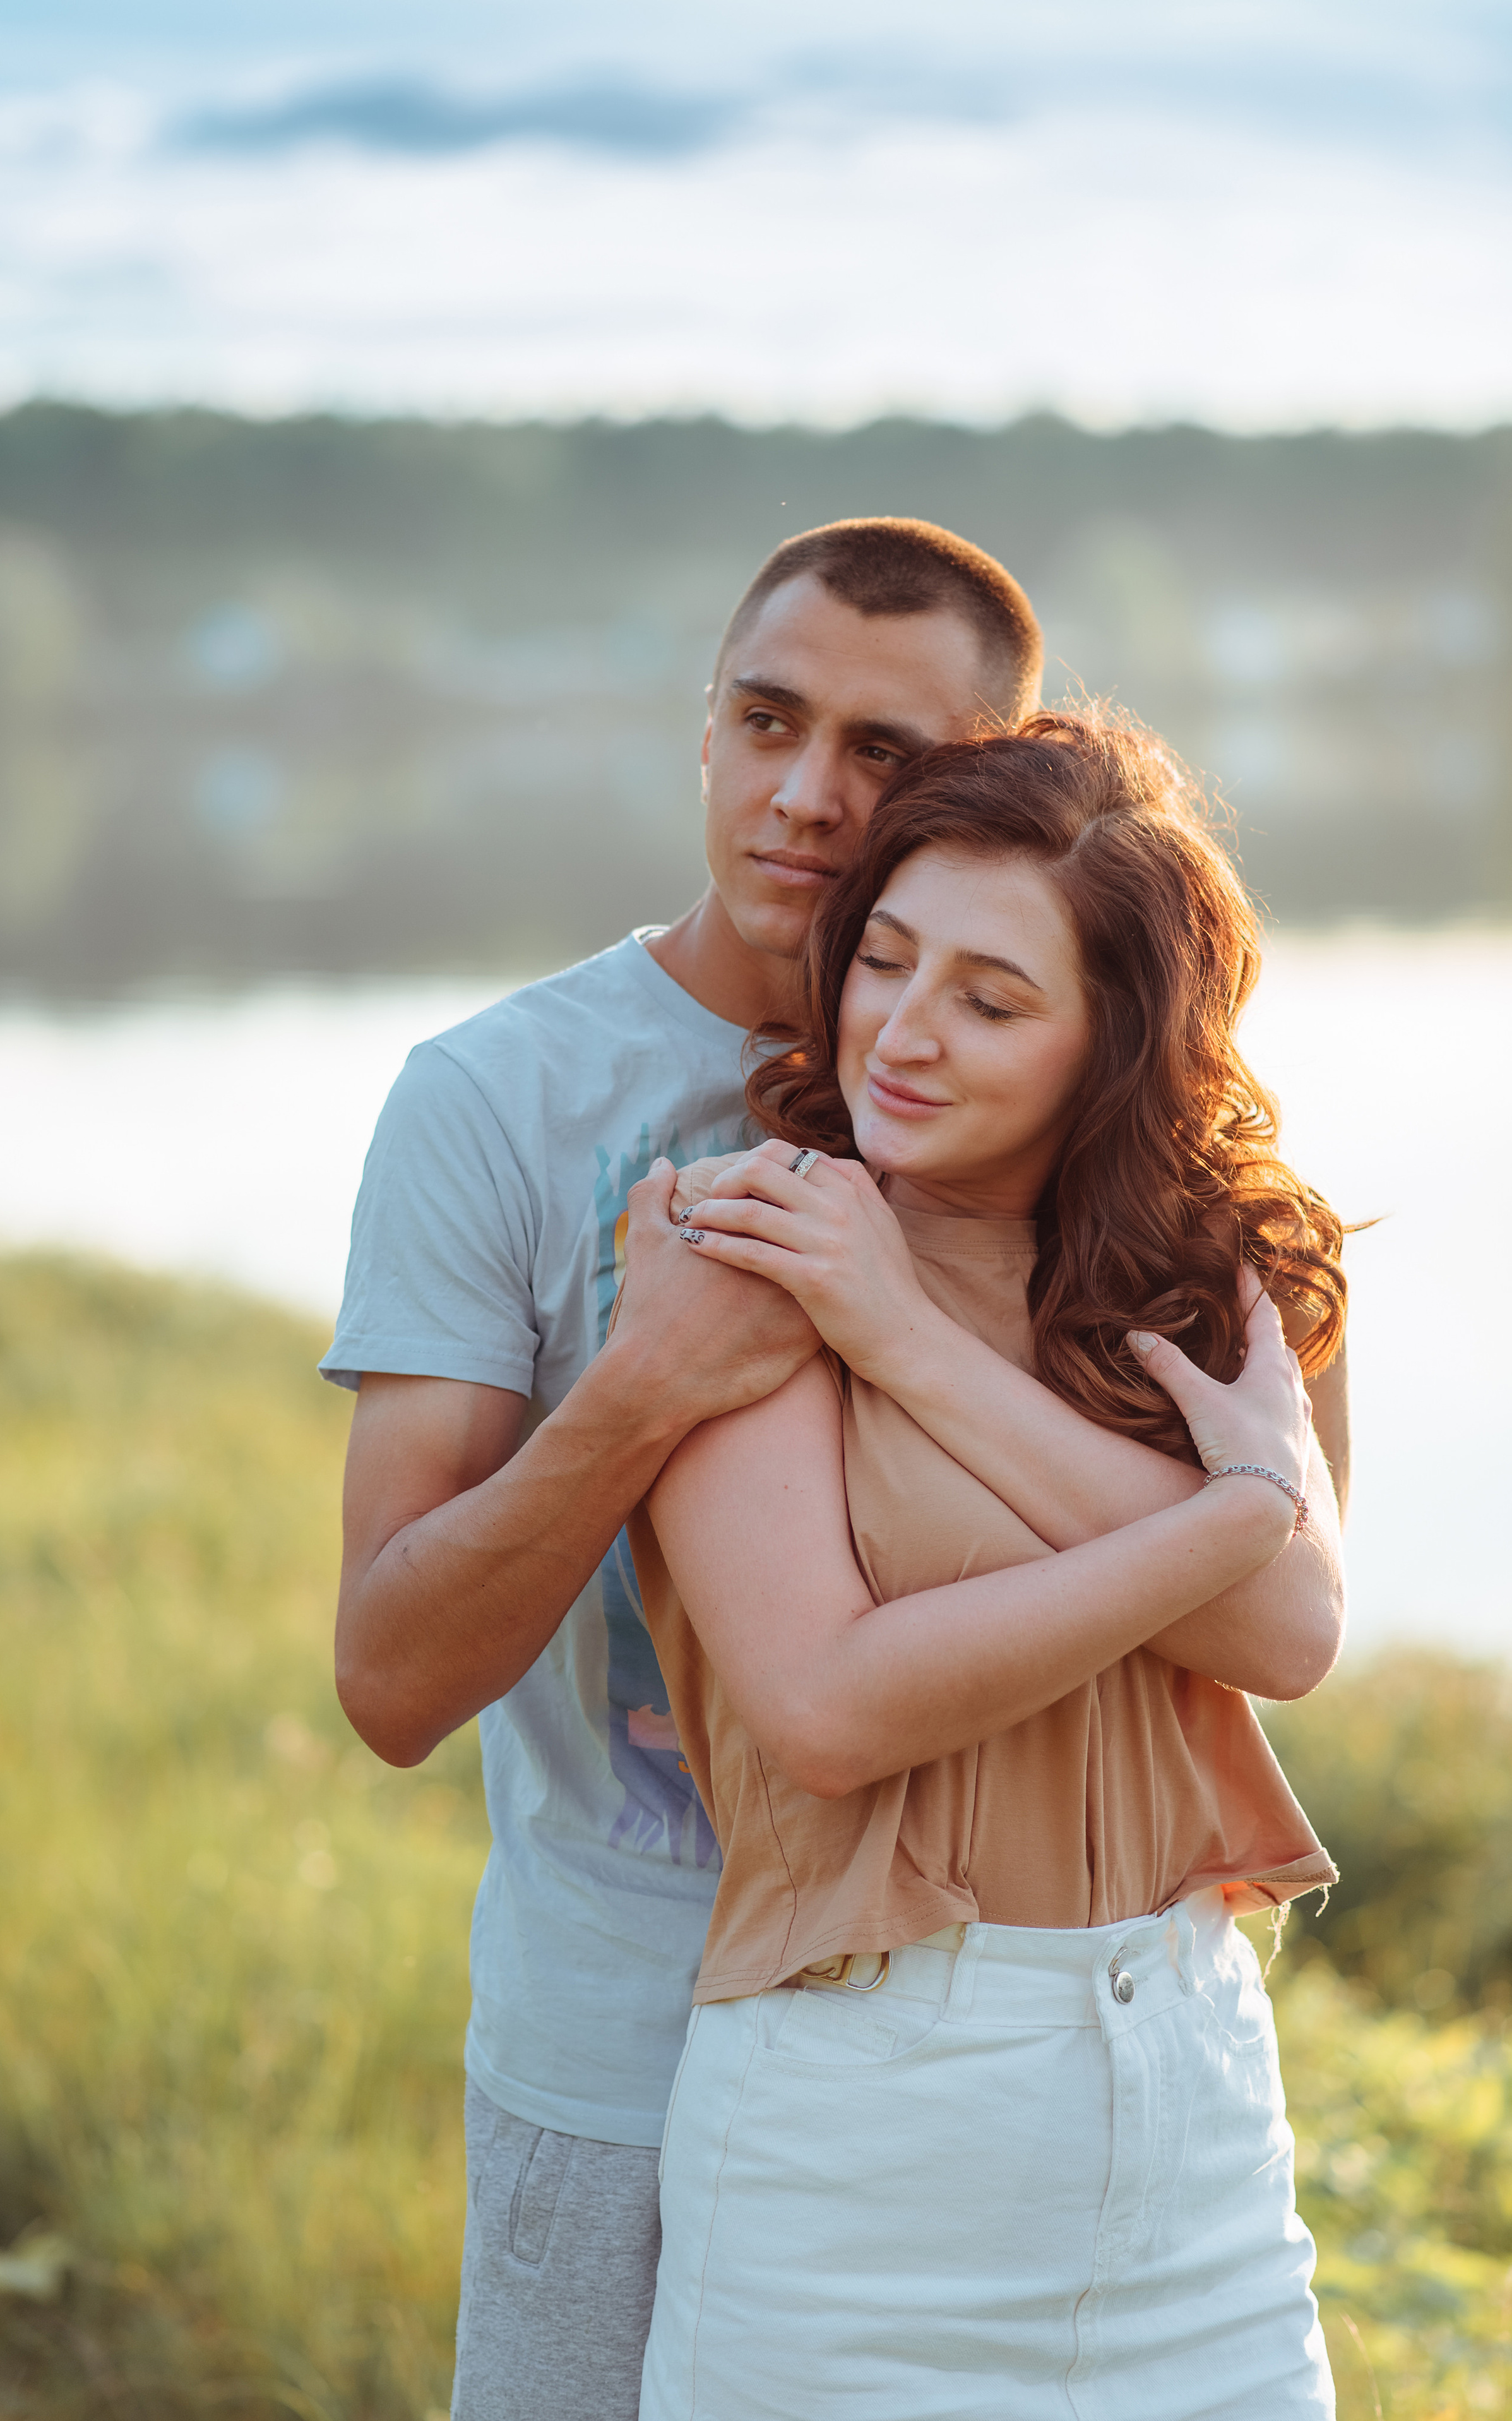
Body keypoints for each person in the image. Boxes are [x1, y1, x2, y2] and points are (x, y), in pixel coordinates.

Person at [321, 518, 1056, 2420]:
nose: (809, 796)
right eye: (767, 718)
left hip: (981, 2059)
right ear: (705, 731)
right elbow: (390, 1680)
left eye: (885, 754)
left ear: (998, 785)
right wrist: (642, 1387)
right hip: (620, 2057)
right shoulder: (491, 1100)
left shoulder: (1074, 1107)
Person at [623, 714, 1347, 2418]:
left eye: (992, 999)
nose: (904, 1032)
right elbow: (826, 1704)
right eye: (885, 959)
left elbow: (1295, 1629)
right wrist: (1224, 1510)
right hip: (862, 2136)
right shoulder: (745, 1241)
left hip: (1188, 2109)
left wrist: (922, 1356)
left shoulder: (1230, 1273)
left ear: (1116, 1042)